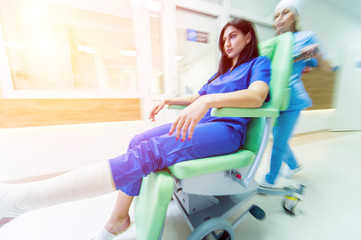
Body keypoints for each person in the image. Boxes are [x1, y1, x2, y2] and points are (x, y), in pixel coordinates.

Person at [0, 18, 271, 240]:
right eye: (224, 38)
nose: (227, 42)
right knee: (138, 139)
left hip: (227, 131)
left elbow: (258, 95)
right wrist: (169, 99)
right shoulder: (220, 73)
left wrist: (209, 101)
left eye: (233, 36)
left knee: (153, 152)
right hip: (204, 122)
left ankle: (22, 200)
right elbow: (195, 97)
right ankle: (120, 217)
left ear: (249, 37)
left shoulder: (258, 64)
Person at [262, 0, 332, 187]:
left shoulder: (307, 36)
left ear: (295, 16)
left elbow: (327, 67)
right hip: (274, 100)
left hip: (293, 99)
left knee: (278, 143)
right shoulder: (276, 42)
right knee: (278, 138)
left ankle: (270, 180)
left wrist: (316, 54)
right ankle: (293, 165)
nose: (279, 19)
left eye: (285, 13)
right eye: (276, 15)